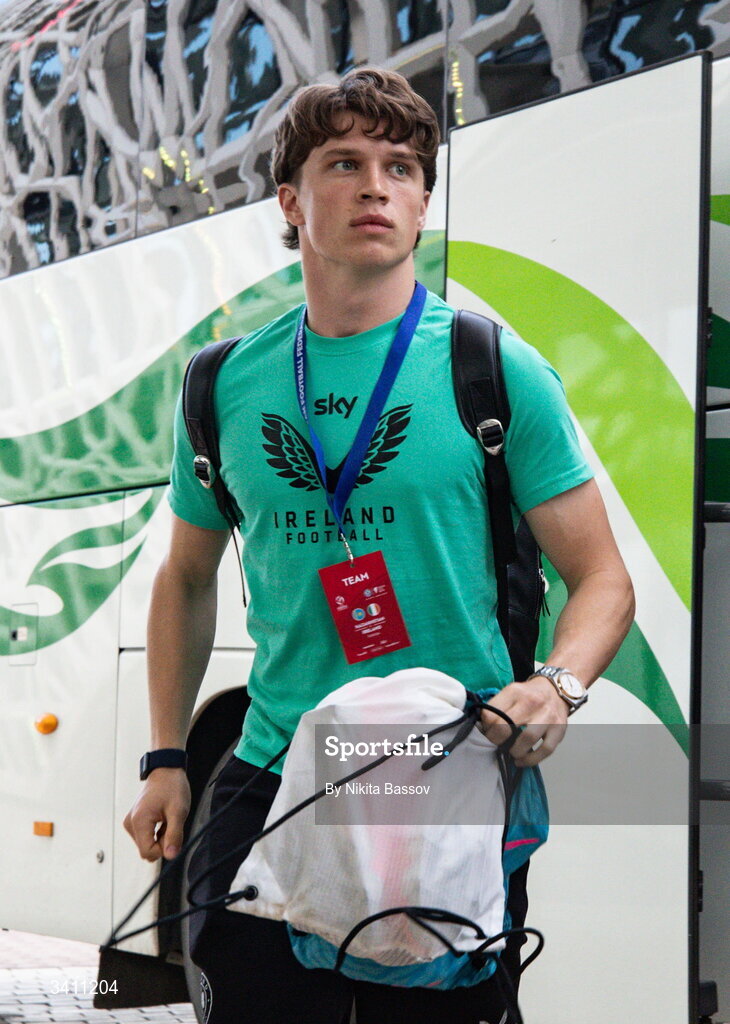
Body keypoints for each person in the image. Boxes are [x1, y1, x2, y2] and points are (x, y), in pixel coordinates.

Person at [124, 67, 635, 1024]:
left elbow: (603, 578)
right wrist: (165, 756)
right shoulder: (223, 384)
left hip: (445, 778)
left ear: (423, 200)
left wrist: (558, 686)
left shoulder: (491, 368)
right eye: (345, 163)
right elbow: (186, 577)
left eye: (402, 168)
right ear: (289, 197)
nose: (376, 187)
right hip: (271, 768)